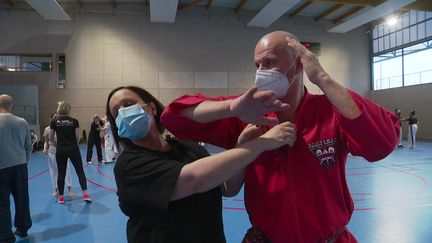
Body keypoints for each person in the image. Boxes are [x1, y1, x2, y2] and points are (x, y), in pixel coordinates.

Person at [160, 31, 400, 242]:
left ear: (298, 66)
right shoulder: (249, 111)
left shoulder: (330, 111)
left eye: (269, 62)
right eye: (257, 65)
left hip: (328, 238)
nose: (261, 72)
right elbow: (174, 117)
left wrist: (323, 79)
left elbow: (382, 143)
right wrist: (232, 108)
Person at [105, 86, 296, 243]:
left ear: (151, 108)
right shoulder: (129, 165)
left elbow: (228, 188)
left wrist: (242, 143)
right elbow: (194, 180)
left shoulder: (187, 148)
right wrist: (262, 144)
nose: (123, 112)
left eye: (128, 104)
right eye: (116, 112)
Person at [0, 94, 32, 242]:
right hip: (20, 166)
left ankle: (6, 236)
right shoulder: (22, 122)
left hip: (1, 167)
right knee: (22, 198)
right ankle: (23, 228)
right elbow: (28, 146)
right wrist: (25, 162)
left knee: (2, 203)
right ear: (12, 106)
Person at [50, 101, 91, 204]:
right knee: (80, 171)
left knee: (61, 172)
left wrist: (57, 144)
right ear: (69, 109)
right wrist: (72, 144)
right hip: (73, 148)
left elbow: (51, 138)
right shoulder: (74, 121)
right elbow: (77, 137)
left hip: (61, 149)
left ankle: (61, 197)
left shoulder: (54, 121)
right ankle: (85, 194)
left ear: (59, 109)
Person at [43, 112, 74, 197]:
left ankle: (69, 188)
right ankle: (56, 189)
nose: (56, 119)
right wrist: (45, 149)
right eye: (54, 117)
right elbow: (46, 142)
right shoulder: (47, 129)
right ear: (51, 119)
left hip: (63, 151)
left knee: (66, 169)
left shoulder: (63, 128)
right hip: (52, 152)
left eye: (57, 117)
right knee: (54, 171)